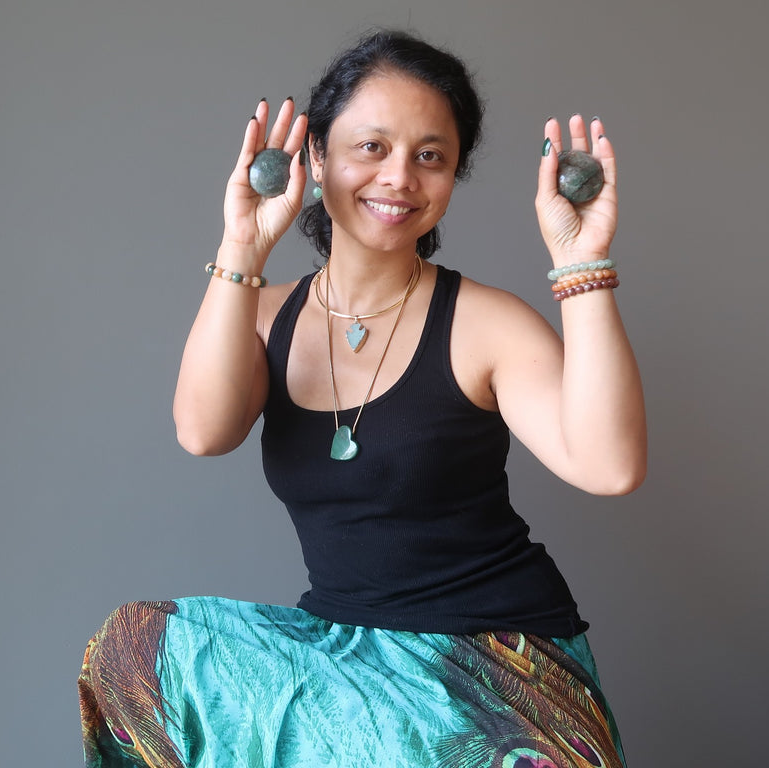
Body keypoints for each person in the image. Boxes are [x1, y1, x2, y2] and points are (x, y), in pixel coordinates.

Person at [78, 30, 646, 768]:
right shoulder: (259, 311)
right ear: (316, 159)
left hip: (500, 670)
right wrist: (243, 247)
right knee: (132, 648)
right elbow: (202, 431)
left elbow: (608, 468)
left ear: (451, 178)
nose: (400, 178)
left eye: (429, 155)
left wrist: (582, 263)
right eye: (371, 147)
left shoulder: (487, 323)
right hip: (345, 663)